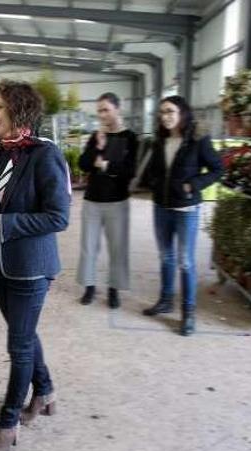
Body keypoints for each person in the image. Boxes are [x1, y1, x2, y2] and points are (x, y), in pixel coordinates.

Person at [0, 80, 70, 451]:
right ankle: (44, 391)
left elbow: (58, 216)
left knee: (18, 345)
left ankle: (7, 424)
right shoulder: (3, 152)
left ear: (18, 109)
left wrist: (2, 224)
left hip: (29, 268)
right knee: (23, 335)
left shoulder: (45, 155)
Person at [139, 95, 223, 336]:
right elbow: (154, 171)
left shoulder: (198, 140)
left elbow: (218, 169)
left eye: (170, 111)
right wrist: (155, 184)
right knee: (165, 257)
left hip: (186, 209)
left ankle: (188, 313)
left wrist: (192, 185)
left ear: (183, 113)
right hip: (161, 207)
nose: (165, 116)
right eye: (162, 112)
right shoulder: (159, 141)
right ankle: (166, 301)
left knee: (185, 261)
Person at [76, 92, 138, 308]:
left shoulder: (130, 137)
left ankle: (113, 289)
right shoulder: (96, 136)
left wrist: (105, 166)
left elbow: (129, 170)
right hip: (92, 199)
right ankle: (89, 286)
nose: (102, 115)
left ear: (117, 110)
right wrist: (98, 147)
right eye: (99, 110)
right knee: (88, 246)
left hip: (118, 201)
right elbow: (83, 164)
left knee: (118, 247)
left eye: (106, 110)